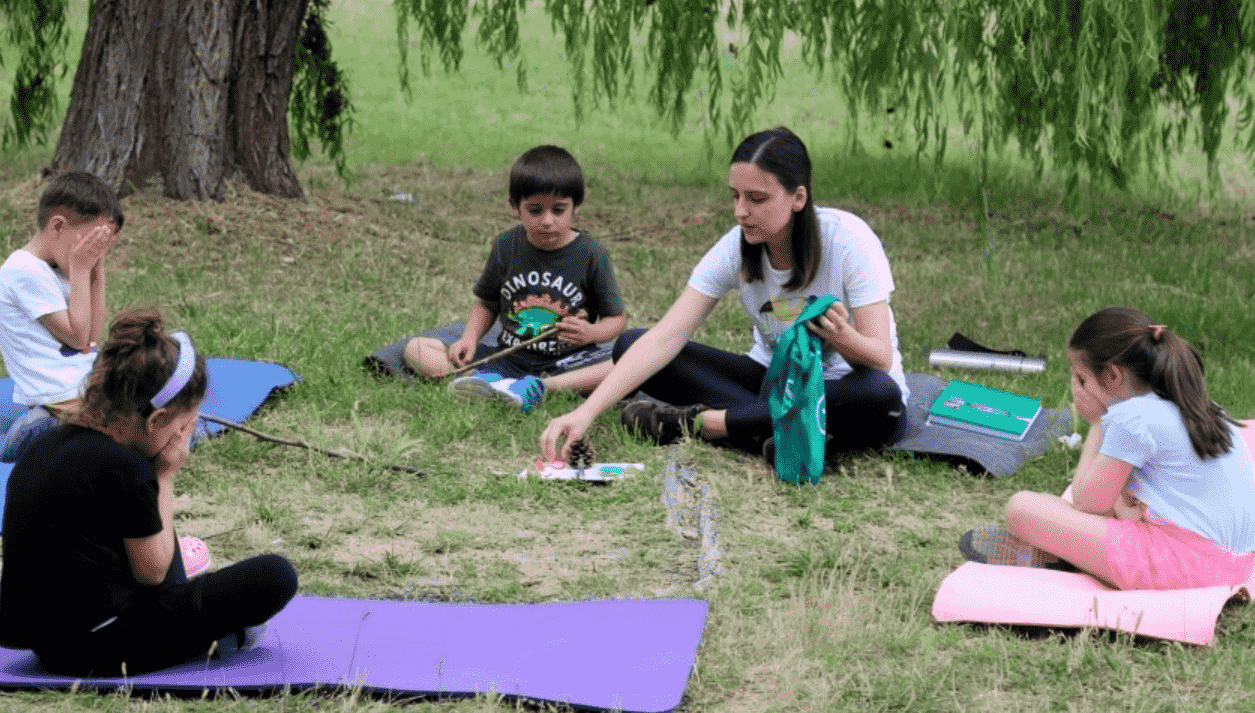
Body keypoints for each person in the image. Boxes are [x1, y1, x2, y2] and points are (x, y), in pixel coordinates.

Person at [540, 126, 909, 465]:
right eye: (735, 196)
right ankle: (775, 431)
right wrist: (586, 412)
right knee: (630, 344)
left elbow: (879, 359)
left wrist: (840, 336)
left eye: (757, 198)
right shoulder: (735, 248)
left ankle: (707, 424)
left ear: (798, 197)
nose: (740, 212)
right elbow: (665, 337)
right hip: (770, 381)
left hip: (845, 391)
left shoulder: (850, 242)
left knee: (879, 393)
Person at [0, 309, 298, 676]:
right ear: (157, 421)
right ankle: (219, 639)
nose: (184, 438)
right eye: (186, 426)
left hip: (42, 643)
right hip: (98, 646)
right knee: (276, 575)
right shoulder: (126, 466)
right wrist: (166, 472)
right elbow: (155, 576)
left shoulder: (46, 446)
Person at [959, 307, 1255, 590]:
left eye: (1081, 378)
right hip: (1239, 559)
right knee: (1112, 505)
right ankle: (1067, 555)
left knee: (1022, 508)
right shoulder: (1193, 403)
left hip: (1193, 567)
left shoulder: (1132, 417)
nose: (1078, 388)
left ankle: (1060, 557)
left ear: (1112, 375)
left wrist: (1098, 423)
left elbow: (1087, 502)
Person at [404, 145, 627, 413]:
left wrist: (592, 332)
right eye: (535, 210)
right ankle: (494, 383)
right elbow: (487, 302)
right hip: (508, 359)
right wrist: (469, 339)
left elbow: (617, 319)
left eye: (558, 210)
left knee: (629, 363)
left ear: (575, 207)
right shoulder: (505, 246)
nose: (547, 221)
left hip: (569, 362)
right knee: (417, 349)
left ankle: (541, 387)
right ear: (514, 207)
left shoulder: (592, 254)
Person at [0, 171, 121, 462]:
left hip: (83, 397)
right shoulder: (23, 270)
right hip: (57, 408)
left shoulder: (62, 266)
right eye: (89, 242)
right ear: (57, 226)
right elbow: (79, 338)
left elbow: (94, 337)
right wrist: (81, 270)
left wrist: (96, 273)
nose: (91, 252)